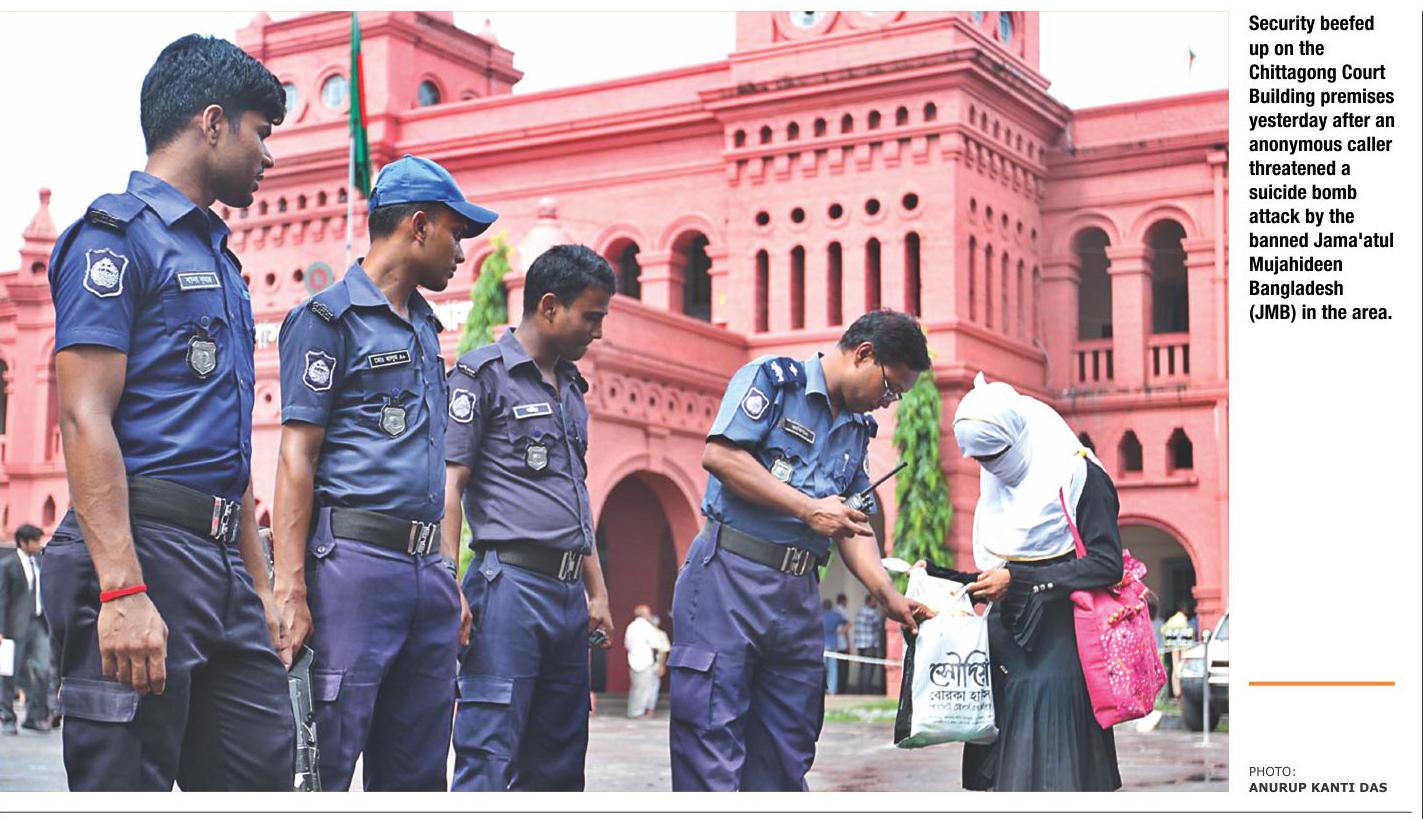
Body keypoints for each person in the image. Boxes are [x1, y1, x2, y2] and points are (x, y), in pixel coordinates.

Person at [40, 35, 293, 791]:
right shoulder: (114, 241)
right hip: (141, 549)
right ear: (212, 123)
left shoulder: (222, 264)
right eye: (260, 132)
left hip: (221, 562)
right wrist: (121, 589)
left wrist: (259, 587)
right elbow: (84, 415)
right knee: (128, 786)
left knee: (261, 775)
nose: (268, 155)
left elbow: (229, 450)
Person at [271, 155, 497, 791]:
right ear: (418, 226)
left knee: (417, 772)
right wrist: (290, 588)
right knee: (326, 759)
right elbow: (296, 456)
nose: (462, 251)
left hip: (426, 573)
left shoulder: (425, 327)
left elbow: (441, 471)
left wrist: (446, 575)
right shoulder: (327, 320)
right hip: (354, 568)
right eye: (456, 233)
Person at [668, 309, 933, 792]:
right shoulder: (773, 382)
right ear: (864, 355)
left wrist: (887, 595)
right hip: (731, 577)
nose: (887, 403)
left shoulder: (856, 428)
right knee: (711, 732)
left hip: (798, 593)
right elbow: (721, 456)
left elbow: (853, 524)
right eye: (889, 388)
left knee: (787, 743)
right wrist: (808, 509)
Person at [443, 243, 616, 791]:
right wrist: (449, 583)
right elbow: (450, 485)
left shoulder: (572, 389)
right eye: (590, 316)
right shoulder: (483, 376)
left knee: (560, 760)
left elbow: (575, 497)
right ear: (549, 306)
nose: (598, 332)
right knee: (490, 752)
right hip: (509, 588)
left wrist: (598, 592)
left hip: (567, 597)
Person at [955, 372, 1124, 792]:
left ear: (1017, 439)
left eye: (994, 456)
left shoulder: (1078, 476)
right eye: (979, 460)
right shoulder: (997, 488)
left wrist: (1019, 581)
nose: (988, 468)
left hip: (1057, 652)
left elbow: (1107, 565)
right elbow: (1003, 570)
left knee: (1054, 776)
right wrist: (942, 582)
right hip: (1006, 654)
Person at [1, 525, 56, 734]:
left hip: (38, 624)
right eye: (35, 541)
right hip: (13, 628)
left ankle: (34, 717)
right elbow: (1, 598)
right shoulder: (8, 565)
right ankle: (7, 717)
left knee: (44, 669)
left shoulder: (40, 563)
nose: (39, 545)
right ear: (23, 542)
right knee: (9, 673)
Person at [624, 604, 660, 718]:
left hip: (633, 659)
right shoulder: (647, 627)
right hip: (645, 661)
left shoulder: (631, 626)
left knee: (635, 688)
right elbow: (656, 644)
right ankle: (637, 712)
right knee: (643, 689)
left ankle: (632, 711)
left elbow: (627, 644)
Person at [852, 595, 885, 694]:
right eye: (874, 601)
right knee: (869, 667)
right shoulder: (872, 613)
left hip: (860, 644)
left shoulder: (860, 612)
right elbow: (880, 625)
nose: (876, 604)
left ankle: (860, 688)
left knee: (862, 667)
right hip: (870, 643)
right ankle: (866, 690)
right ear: (868, 602)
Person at [820, 600, 847, 695]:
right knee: (833, 669)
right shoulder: (836, 615)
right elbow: (848, 623)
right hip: (833, 643)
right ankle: (832, 690)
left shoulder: (819, 615)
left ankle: (821, 688)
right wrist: (840, 632)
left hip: (822, 644)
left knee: (821, 668)